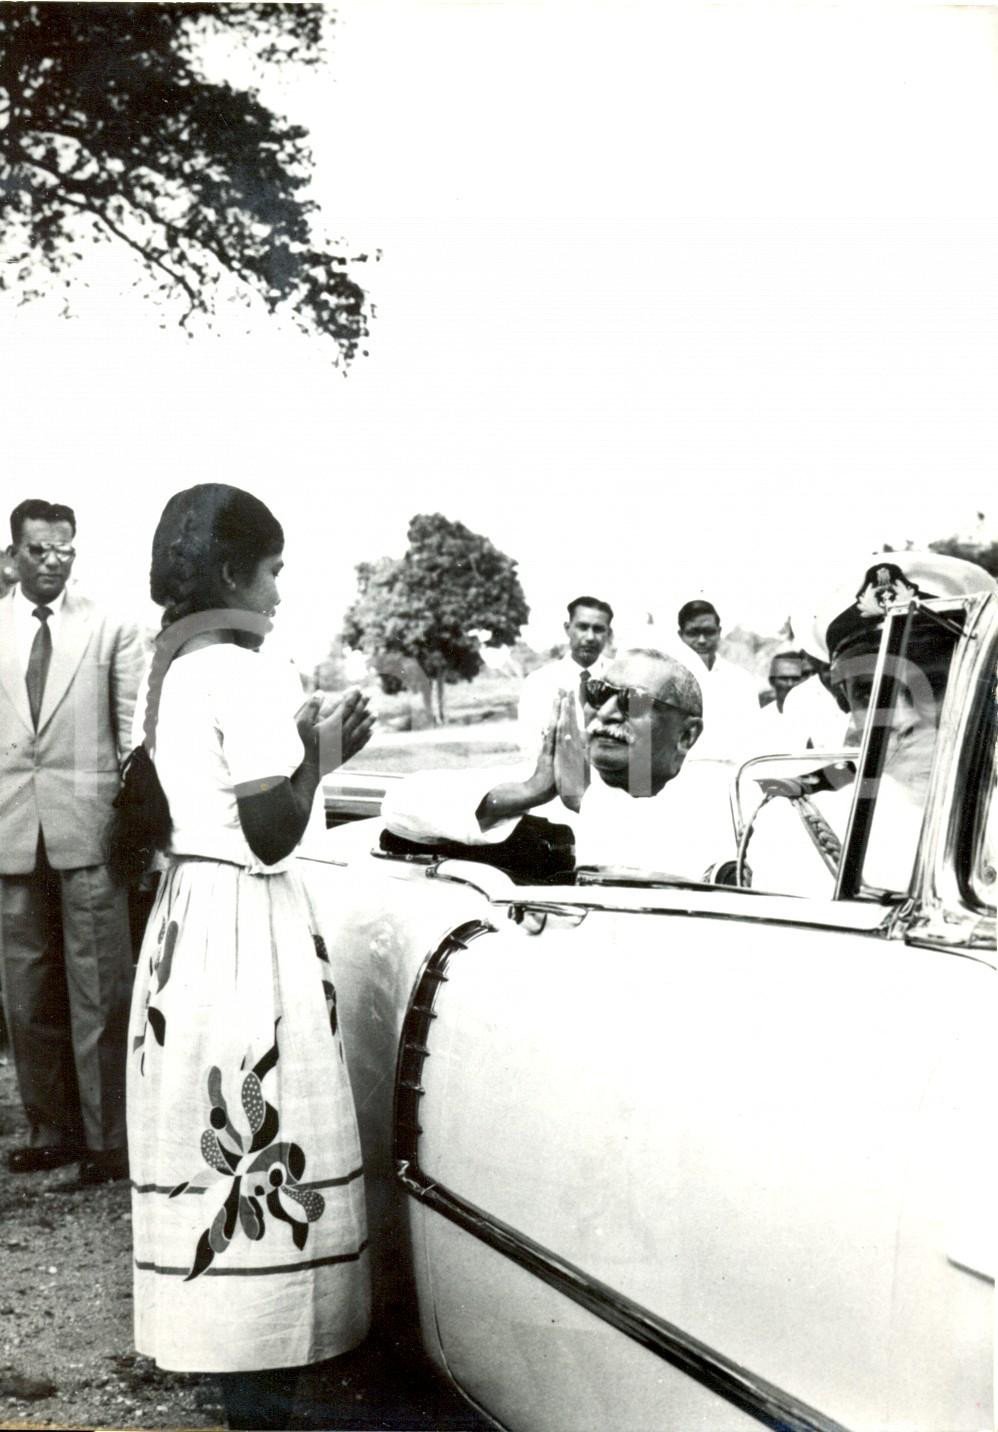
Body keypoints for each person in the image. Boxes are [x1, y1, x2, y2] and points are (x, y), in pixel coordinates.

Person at [108, 485, 374, 1430]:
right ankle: (265, 1393)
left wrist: (299, 753)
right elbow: (269, 832)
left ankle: (237, 1377)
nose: (277, 594)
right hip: (243, 923)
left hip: (188, 919)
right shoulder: (245, 670)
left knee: (212, 1125)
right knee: (266, 1107)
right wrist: (322, 757)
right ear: (233, 573)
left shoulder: (173, 668)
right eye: (272, 573)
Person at [0, 498, 144, 1183]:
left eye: (65, 551)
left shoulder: (112, 625)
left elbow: (129, 735)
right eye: (40, 552)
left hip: (89, 827)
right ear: (14, 554)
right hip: (10, 828)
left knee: (100, 987)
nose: (54, 563)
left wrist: (128, 822)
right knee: (25, 992)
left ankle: (109, 1139)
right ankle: (49, 1127)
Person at [747, 552, 996, 896]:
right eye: (872, 693)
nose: (903, 717)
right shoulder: (802, 828)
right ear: (844, 702)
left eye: (934, 684)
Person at [385, 646, 732, 878]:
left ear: (686, 736)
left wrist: (583, 799)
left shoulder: (721, 804)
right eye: (599, 693)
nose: (606, 713)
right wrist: (527, 791)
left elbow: (665, 883)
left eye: (634, 702)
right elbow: (400, 804)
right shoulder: (555, 776)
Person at [518, 595, 613, 753]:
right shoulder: (538, 683)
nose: (590, 637)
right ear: (568, 628)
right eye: (582, 627)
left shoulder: (624, 680)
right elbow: (530, 746)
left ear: (608, 633)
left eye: (598, 629)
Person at [676, 598, 760, 760]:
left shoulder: (741, 680)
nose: (701, 640)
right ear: (681, 635)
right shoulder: (667, 679)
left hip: (730, 774)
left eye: (708, 632)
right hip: (682, 775)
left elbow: (752, 738)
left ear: (719, 632)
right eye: (693, 633)